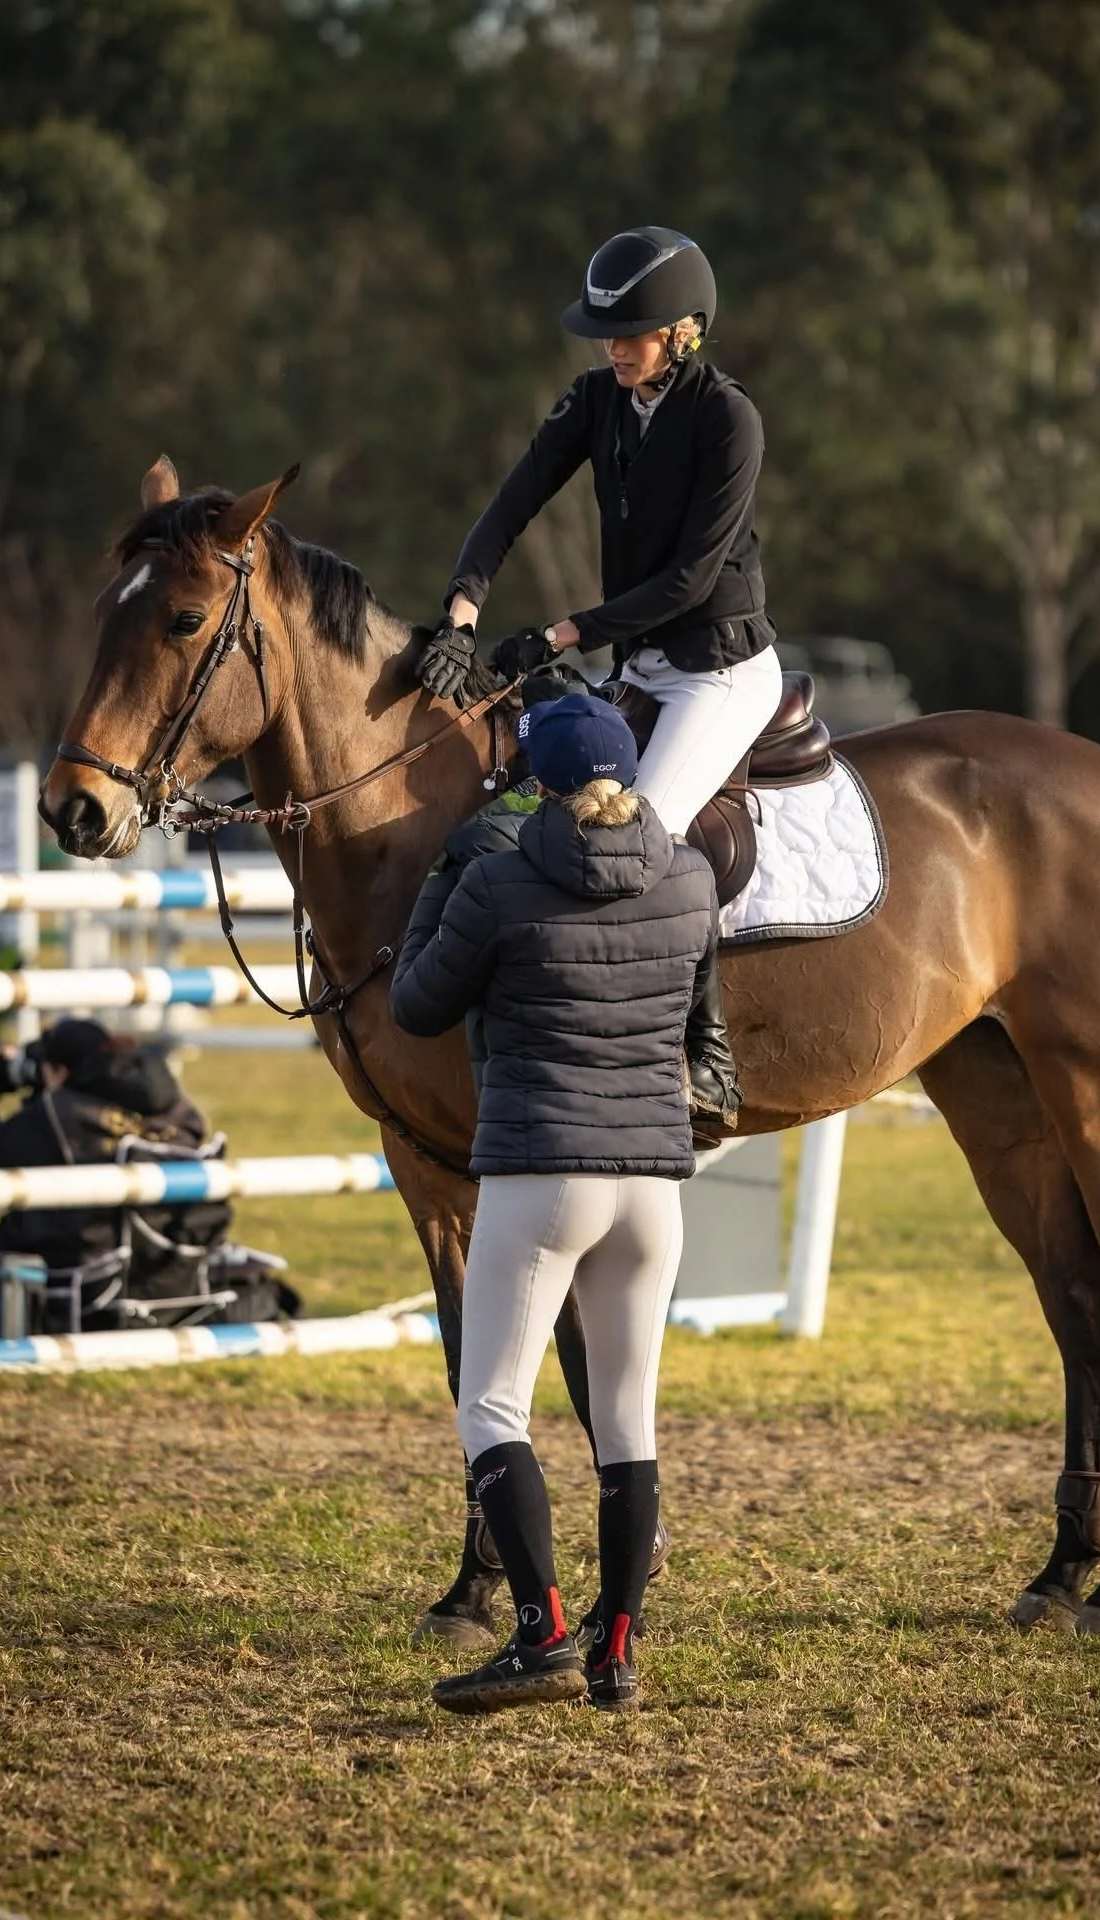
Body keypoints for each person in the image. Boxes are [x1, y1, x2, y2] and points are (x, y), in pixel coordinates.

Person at [390, 693, 718, 1714]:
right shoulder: (694, 879)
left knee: (492, 1407)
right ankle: (614, 1653)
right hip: (654, 1188)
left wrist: (441, 889)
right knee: (628, 1424)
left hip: (542, 1174)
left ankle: (537, 1632)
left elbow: (413, 1003)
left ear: (540, 784)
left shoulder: (495, 882)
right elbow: (699, 1022)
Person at [417, 225, 781, 1128]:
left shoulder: (728, 419)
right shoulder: (597, 401)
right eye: (608, 335)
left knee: (636, 841)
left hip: (720, 672)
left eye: (634, 334)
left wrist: (560, 632)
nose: (615, 349)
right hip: (644, 662)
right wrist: (463, 608)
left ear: (687, 332)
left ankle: (707, 1050)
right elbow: (511, 504)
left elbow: (689, 582)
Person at [0, 1019, 213, 1274]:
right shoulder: (176, 1110)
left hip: (75, 1276)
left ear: (60, 1072)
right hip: (161, 1272)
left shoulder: (58, 1118)